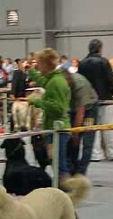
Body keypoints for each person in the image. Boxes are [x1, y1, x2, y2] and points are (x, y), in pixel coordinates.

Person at [27, 48, 72, 184]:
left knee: (59, 164)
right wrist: (31, 71)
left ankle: (68, 192)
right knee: (56, 163)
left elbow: (58, 108)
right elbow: (43, 82)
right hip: (54, 129)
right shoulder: (54, 79)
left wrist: (36, 101)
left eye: (39, 64)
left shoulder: (56, 82)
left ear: (46, 64)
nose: (38, 67)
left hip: (58, 130)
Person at [63, 70, 99, 175]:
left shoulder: (81, 84)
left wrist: (75, 134)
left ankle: (81, 172)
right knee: (71, 142)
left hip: (89, 109)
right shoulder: (60, 83)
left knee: (87, 142)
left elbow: (81, 112)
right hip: (73, 109)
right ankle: (72, 169)